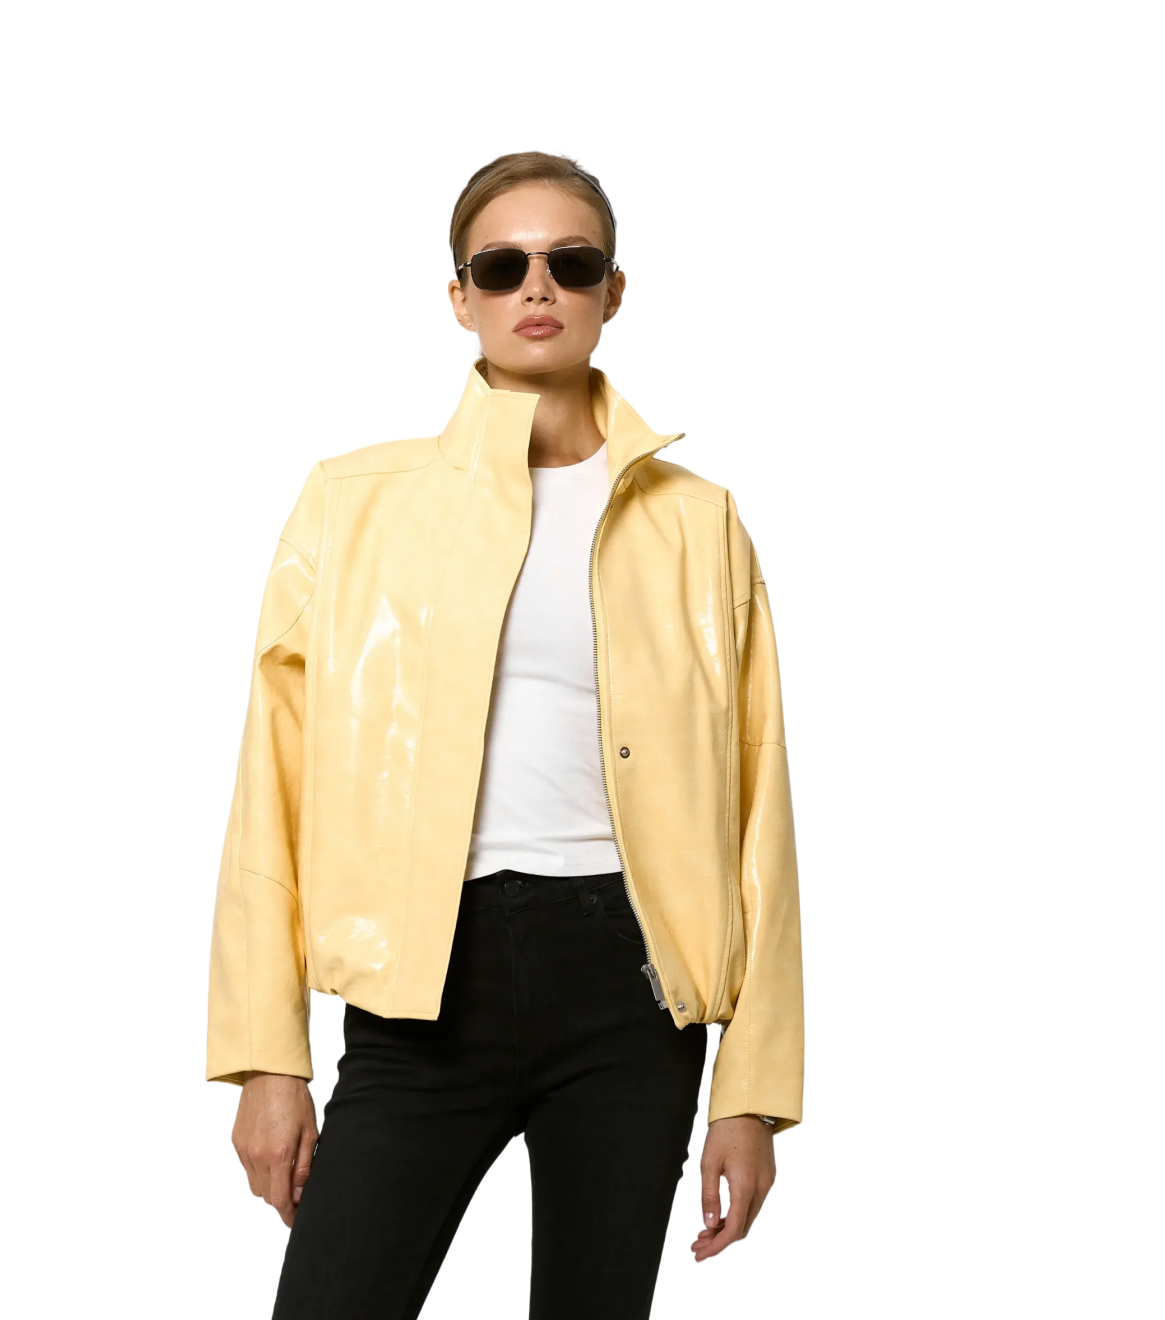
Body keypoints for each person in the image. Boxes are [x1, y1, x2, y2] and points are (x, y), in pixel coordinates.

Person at [206, 149, 804, 1319]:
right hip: (415, 990)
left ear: (612, 293)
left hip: (633, 990)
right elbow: (268, 784)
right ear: (459, 298)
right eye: (501, 266)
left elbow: (759, 811)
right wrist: (268, 1055)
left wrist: (752, 1092)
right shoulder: (350, 500)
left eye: (571, 264)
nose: (538, 287)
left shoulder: (701, 522)